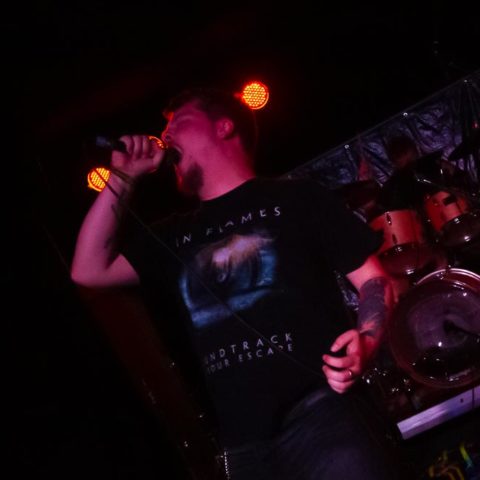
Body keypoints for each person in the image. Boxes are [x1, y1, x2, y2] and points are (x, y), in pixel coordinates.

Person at [71, 87, 407, 479]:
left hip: (322, 415)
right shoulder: (174, 234)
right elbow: (87, 270)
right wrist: (124, 177)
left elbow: (374, 281)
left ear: (224, 127)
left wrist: (366, 338)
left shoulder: (295, 197)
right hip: (245, 446)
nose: (166, 136)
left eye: (180, 123)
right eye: (165, 131)